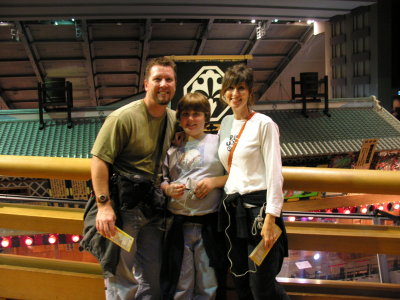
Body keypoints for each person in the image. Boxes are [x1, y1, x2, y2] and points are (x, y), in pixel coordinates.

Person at [90, 56, 177, 299]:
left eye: (168, 79)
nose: (163, 84)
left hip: (153, 207)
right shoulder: (122, 117)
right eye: (157, 79)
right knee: (122, 278)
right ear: (146, 84)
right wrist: (104, 205)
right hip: (125, 208)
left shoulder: (172, 118)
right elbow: (99, 161)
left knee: (153, 275)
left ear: (175, 84)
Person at [217, 64, 289, 300]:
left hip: (260, 215)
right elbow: (230, 166)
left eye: (240, 88)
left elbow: (275, 174)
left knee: (261, 285)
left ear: (250, 92)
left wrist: (271, 217)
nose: (234, 94)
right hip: (233, 213)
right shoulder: (226, 124)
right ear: (222, 92)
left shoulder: (264, 124)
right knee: (240, 280)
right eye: (230, 88)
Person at [160, 92, 228, 300]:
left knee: (209, 282)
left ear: (206, 116)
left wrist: (214, 182)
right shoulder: (172, 147)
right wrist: (167, 189)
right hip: (178, 225)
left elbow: (237, 174)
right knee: (180, 281)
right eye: (185, 115)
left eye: (196, 114)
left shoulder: (219, 142)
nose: (190, 119)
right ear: (179, 118)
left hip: (209, 224)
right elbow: (161, 179)